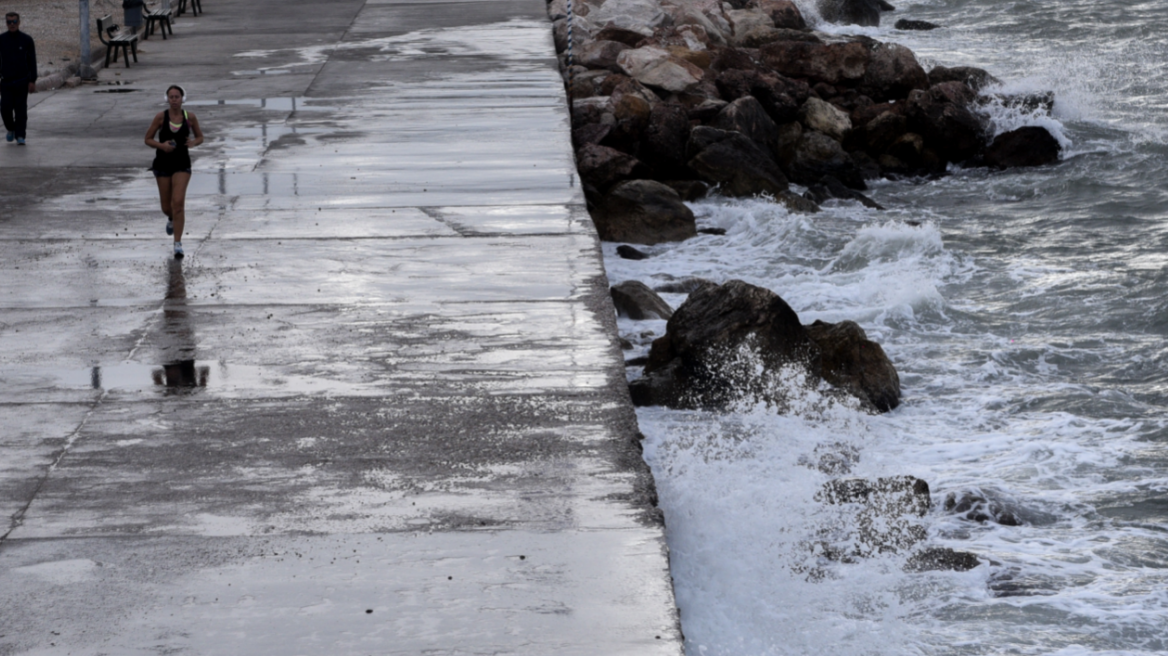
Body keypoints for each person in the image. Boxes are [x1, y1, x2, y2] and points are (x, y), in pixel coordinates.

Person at [145, 85, 204, 259]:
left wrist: (194, 142)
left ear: (182, 98)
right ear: (167, 99)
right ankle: (171, 218)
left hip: (182, 164)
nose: (174, 100)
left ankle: (177, 244)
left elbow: (200, 136)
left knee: (178, 203)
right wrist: (161, 146)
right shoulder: (160, 118)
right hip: (163, 164)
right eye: (171, 97)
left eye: (177, 96)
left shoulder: (190, 117)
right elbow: (147, 139)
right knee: (167, 207)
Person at [0, 12, 37, 145]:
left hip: (22, 81)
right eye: (9, 22)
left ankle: (20, 135)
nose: (12, 24)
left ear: (19, 23)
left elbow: (32, 61)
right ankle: (11, 128)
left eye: (14, 22)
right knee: (5, 109)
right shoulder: (1, 39)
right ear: (6, 24)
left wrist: (32, 80)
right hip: (6, 82)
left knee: (21, 110)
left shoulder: (27, 40)